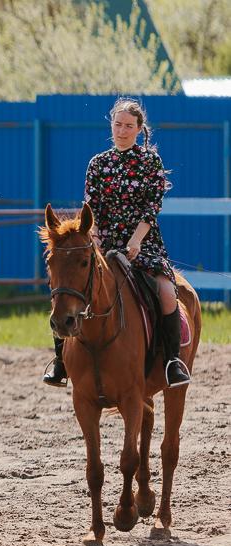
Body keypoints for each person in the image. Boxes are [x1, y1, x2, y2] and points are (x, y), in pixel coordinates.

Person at [43, 98, 191, 389]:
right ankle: (60, 360)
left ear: (139, 128)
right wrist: (96, 239)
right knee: (68, 286)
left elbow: (152, 207)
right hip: (104, 244)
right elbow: (92, 207)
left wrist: (136, 241)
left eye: (128, 126)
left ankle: (172, 361)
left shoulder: (150, 162)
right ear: (111, 125)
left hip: (143, 244)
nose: (122, 131)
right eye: (118, 124)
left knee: (165, 292)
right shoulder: (98, 163)